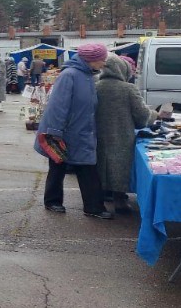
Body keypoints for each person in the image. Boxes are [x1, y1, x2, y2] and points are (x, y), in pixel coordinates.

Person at [36, 43, 111, 219]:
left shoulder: (88, 76)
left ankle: (93, 207)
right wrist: (54, 132)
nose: (104, 63)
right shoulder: (69, 75)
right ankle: (53, 201)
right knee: (58, 166)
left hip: (81, 131)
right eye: (102, 59)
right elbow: (57, 106)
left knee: (86, 167)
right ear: (91, 60)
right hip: (64, 131)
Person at [95, 55, 156, 215]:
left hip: (97, 136)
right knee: (120, 167)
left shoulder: (96, 86)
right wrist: (155, 115)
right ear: (123, 69)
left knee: (102, 165)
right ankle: (119, 200)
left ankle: (102, 196)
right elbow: (142, 117)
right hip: (122, 136)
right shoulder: (128, 88)